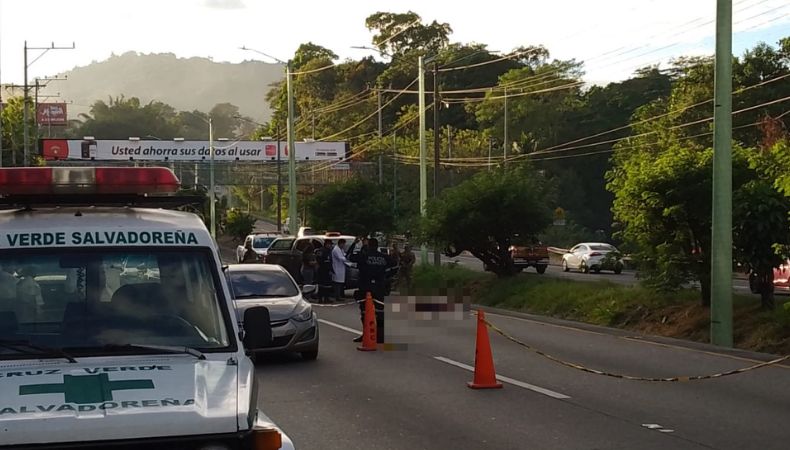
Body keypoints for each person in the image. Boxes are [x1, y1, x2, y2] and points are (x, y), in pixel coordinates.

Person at [351, 238, 393, 343]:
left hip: (365, 287)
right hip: (379, 287)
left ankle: (366, 334)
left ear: (369, 245)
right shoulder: (384, 257)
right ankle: (380, 336)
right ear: (377, 246)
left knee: (364, 312)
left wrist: (355, 244)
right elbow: (395, 264)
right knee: (380, 311)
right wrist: (386, 277)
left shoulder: (364, 256)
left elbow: (350, 257)